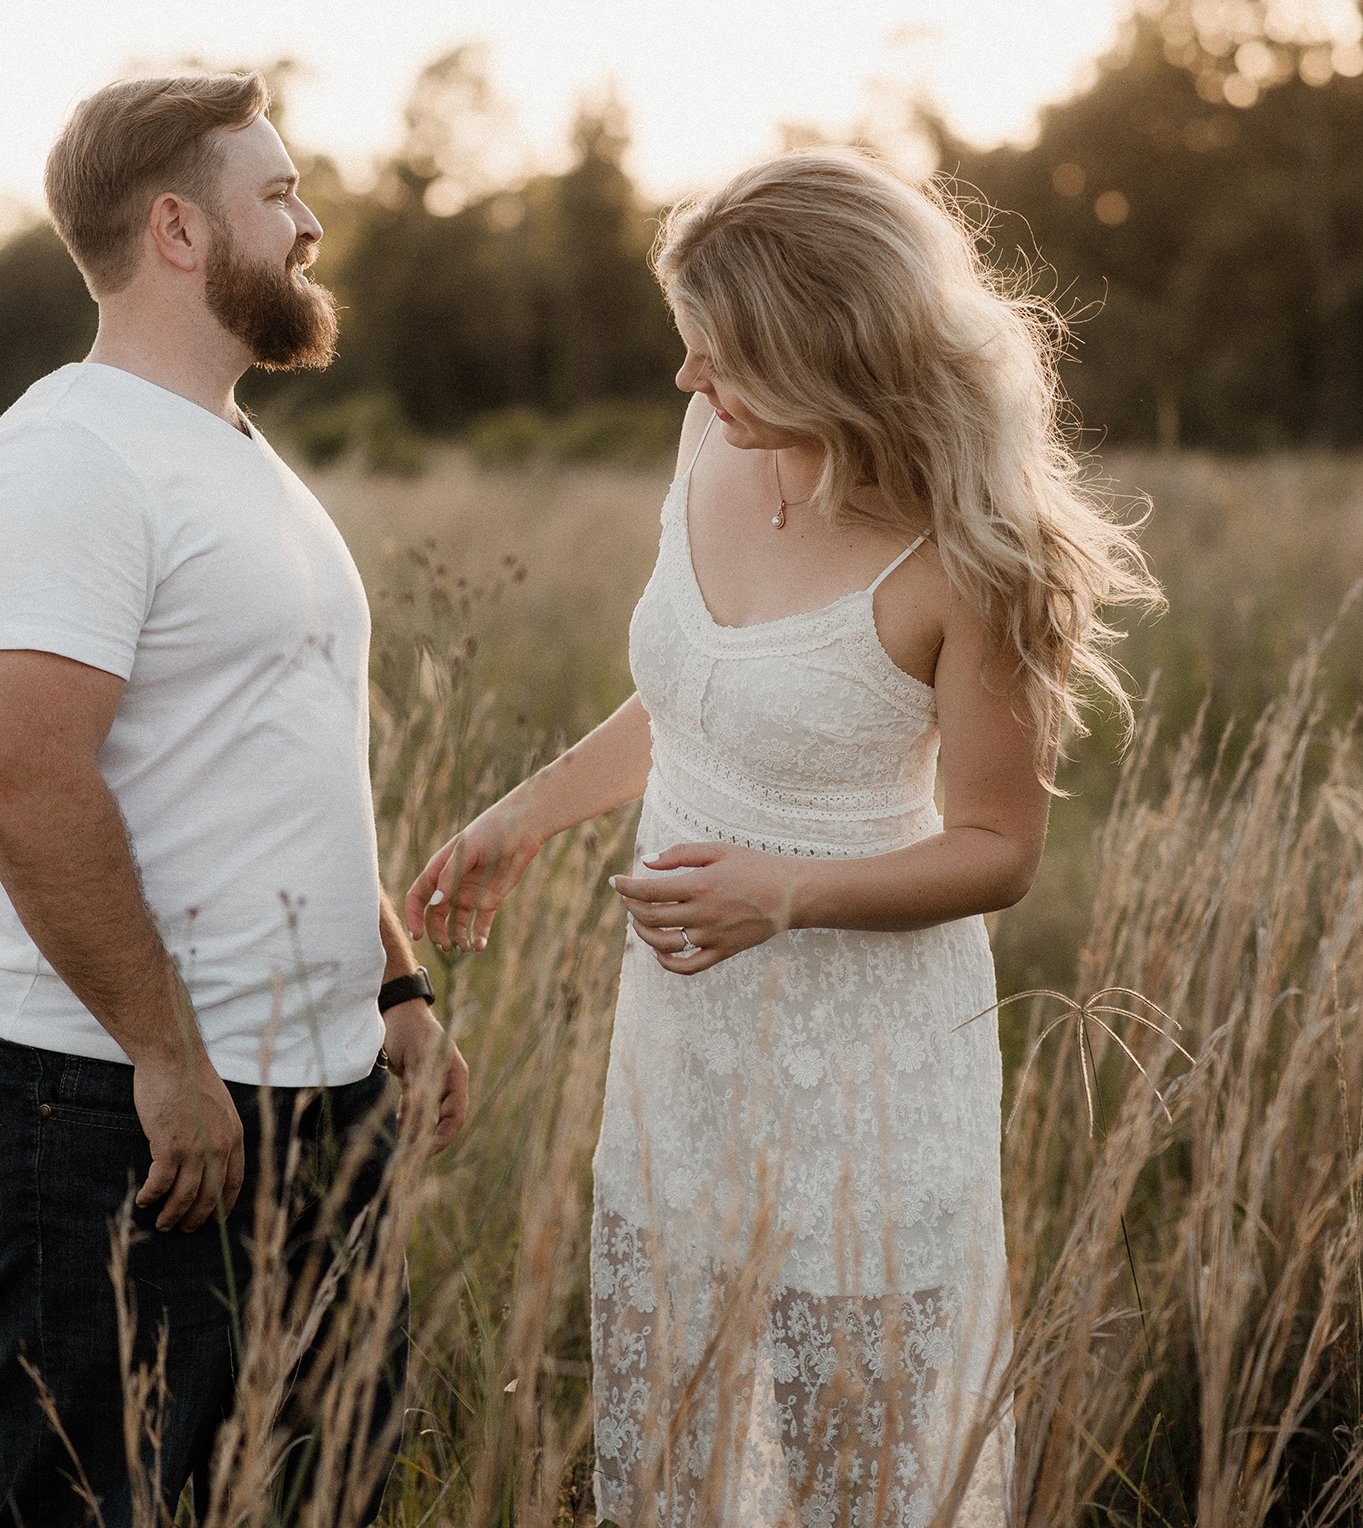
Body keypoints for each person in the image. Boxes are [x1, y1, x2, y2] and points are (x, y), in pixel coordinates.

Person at [407, 147, 1158, 1525]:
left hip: (868, 1063)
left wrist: (787, 895)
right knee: (682, 1434)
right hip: (681, 1045)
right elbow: (702, 691)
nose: (688, 383)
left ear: (829, 356)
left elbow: (1000, 849)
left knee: (855, 1469)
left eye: (718, 355)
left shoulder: (972, 554)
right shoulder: (714, 439)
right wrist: (528, 813)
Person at [0, 72, 468, 1528]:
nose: (312, 221)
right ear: (178, 230)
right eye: (279, 194)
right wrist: (163, 1057)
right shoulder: (72, 455)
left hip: (325, 1104)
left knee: (329, 1497)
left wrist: (395, 985)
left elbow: (288, 758)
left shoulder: (238, 453)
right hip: (118, 1119)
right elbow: (27, 775)